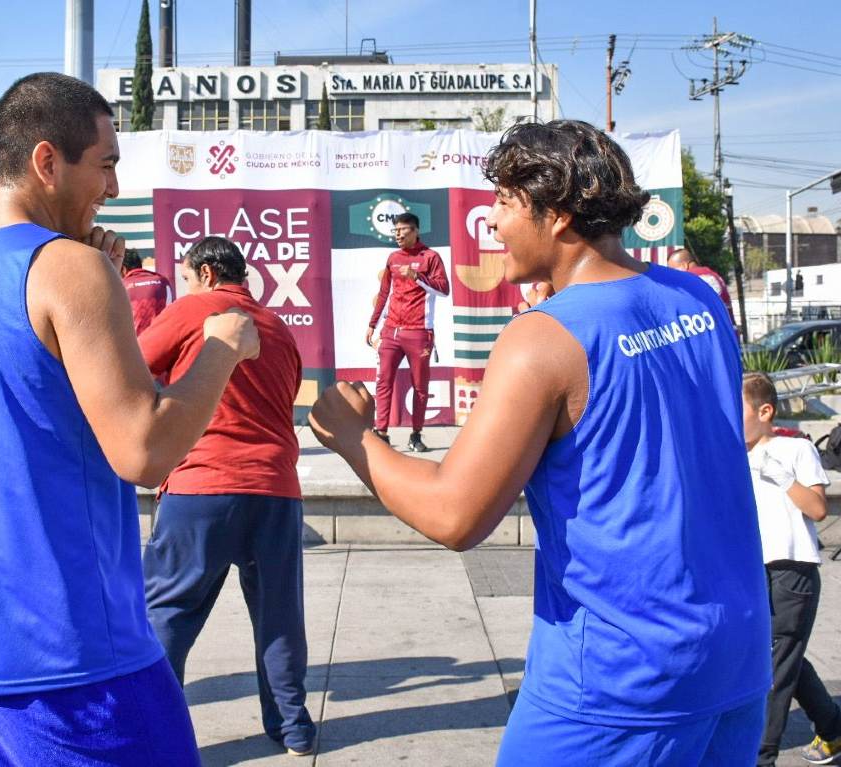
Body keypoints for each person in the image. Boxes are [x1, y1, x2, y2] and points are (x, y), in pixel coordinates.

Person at [310, 120, 771, 765]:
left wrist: (356, 439)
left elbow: (455, 513)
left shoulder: (546, 339)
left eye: (503, 201)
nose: (491, 222)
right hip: (736, 657)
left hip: (617, 685)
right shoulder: (695, 295)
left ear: (555, 215)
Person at [0, 72, 258, 766]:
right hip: (69, 664)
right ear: (45, 161)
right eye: (107, 163)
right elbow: (145, 447)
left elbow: (14, 420)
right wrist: (220, 349)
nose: (114, 189)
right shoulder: (67, 269)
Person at [138, 236, 316, 757]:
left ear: (209, 274)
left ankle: (153, 732)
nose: (186, 288)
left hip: (202, 484)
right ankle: (293, 728)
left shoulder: (194, 310)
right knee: (280, 616)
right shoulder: (278, 328)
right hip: (276, 490)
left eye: (188, 278)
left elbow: (135, 364)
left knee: (167, 615)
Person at [742, 373, 841, 766]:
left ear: (765, 411)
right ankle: (832, 728)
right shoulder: (736, 455)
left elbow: (818, 509)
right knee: (785, 657)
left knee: (775, 667)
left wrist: (783, 477)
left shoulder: (795, 449)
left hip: (792, 570)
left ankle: (760, 756)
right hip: (752, 570)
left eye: (738, 409)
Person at [366, 212, 449, 452]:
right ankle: (381, 432)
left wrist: (418, 277)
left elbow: (444, 290)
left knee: (420, 387)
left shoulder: (430, 257)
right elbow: (384, 293)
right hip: (391, 330)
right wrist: (372, 324)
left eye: (403, 230)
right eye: (395, 231)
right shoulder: (393, 258)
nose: (398, 235)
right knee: (383, 381)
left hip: (419, 332)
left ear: (415, 231)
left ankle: (416, 434)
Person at [666, 247, 737, 326]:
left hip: (712, 333)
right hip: (727, 329)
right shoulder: (712, 275)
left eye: (673, 270)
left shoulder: (689, 279)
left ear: (684, 265)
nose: (673, 274)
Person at [122, 247, 174, 335]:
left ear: (123, 269)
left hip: (134, 343)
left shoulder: (122, 286)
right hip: (162, 340)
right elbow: (170, 312)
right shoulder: (163, 281)